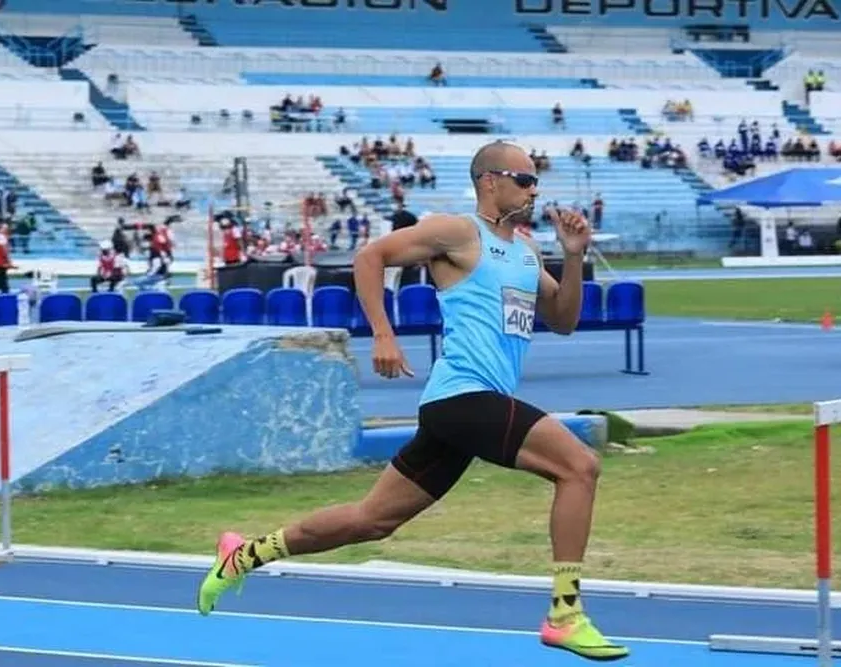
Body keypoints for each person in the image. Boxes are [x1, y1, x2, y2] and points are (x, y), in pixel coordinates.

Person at [196, 140, 628, 662]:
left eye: (536, 180)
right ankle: (564, 613)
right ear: (489, 180)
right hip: (463, 396)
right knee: (579, 466)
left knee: (372, 520)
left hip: (471, 407)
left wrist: (575, 256)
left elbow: (562, 320)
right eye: (524, 179)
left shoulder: (525, 251)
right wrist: (382, 332)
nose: (535, 190)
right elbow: (369, 256)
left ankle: (243, 555)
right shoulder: (457, 232)